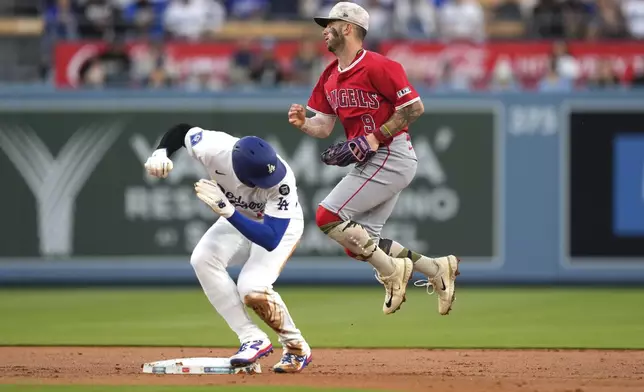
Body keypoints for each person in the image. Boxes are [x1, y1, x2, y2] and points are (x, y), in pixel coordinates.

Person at [287, 2, 459, 316]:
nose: (325, 30)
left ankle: (394, 273)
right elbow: (324, 127)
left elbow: (414, 108)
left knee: (327, 216)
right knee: (361, 245)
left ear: (349, 28)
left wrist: (375, 137)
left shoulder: (380, 65)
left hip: (391, 153)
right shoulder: (328, 76)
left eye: (331, 24)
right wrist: (304, 124)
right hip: (375, 159)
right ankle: (436, 269)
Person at [144, 123, 312, 373]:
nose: (267, 182)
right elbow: (182, 131)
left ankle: (296, 347)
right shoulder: (214, 148)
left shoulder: (282, 180)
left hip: (277, 225)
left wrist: (229, 211)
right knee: (202, 259)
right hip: (239, 216)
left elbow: (270, 238)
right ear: (239, 170)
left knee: (252, 288)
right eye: (260, 179)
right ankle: (251, 338)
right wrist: (160, 153)